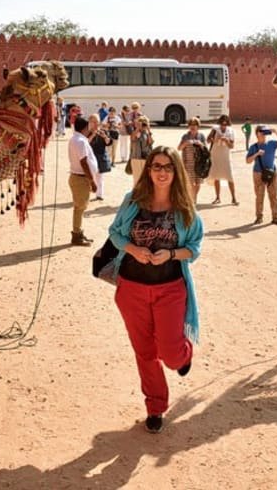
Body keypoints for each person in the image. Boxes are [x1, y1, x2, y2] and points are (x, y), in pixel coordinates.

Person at [108, 146, 204, 434]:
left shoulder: (185, 208)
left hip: (170, 289)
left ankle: (183, 356)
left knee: (170, 353)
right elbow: (114, 233)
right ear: (148, 170)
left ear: (176, 171)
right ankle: (155, 406)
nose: (162, 172)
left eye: (168, 167)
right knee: (145, 351)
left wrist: (172, 254)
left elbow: (194, 248)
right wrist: (133, 249)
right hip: (132, 289)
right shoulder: (133, 201)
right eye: (156, 166)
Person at [245, 124, 277, 225]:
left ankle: (275, 217)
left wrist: (276, 132)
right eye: (262, 132)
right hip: (258, 173)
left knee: (273, 196)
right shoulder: (254, 147)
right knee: (259, 196)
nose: (264, 134)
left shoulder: (271, 143)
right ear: (257, 133)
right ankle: (259, 217)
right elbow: (248, 161)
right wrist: (256, 154)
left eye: (265, 132)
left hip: (272, 172)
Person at [68, 116, 98, 246]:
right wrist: (92, 181)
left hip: (80, 177)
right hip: (80, 178)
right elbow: (84, 161)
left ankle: (78, 232)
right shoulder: (79, 141)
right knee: (79, 208)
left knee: (80, 207)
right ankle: (76, 235)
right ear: (84, 128)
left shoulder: (78, 139)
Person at [206, 114, 238, 205]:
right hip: (215, 155)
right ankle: (217, 197)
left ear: (228, 123)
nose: (223, 125)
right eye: (222, 123)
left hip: (225, 156)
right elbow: (208, 140)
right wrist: (215, 140)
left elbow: (231, 146)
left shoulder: (231, 131)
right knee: (216, 176)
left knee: (230, 176)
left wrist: (227, 141)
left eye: (225, 123)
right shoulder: (215, 129)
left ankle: (233, 198)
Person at [177, 117, 207, 203]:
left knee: (198, 183)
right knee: (190, 183)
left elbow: (205, 149)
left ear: (198, 126)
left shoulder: (201, 136)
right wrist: (186, 143)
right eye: (191, 124)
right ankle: (191, 199)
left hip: (199, 163)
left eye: (195, 124)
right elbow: (179, 148)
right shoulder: (185, 136)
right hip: (188, 163)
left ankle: (194, 198)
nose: (193, 126)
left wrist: (200, 144)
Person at [88, 113, 113, 201]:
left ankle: (99, 194)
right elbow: (86, 143)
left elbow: (109, 143)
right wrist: (93, 135)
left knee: (100, 177)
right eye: (93, 122)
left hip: (100, 156)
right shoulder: (86, 132)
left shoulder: (103, 131)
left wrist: (105, 136)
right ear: (89, 122)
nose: (95, 124)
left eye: (97, 122)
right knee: (90, 177)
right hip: (90, 157)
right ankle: (87, 194)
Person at [129, 116, 154, 185]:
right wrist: (138, 128)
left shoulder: (147, 133)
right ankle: (136, 194)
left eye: (144, 123)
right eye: (142, 123)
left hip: (146, 158)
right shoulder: (136, 132)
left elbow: (150, 142)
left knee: (147, 179)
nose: (143, 125)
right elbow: (132, 138)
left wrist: (149, 130)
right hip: (136, 158)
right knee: (137, 179)